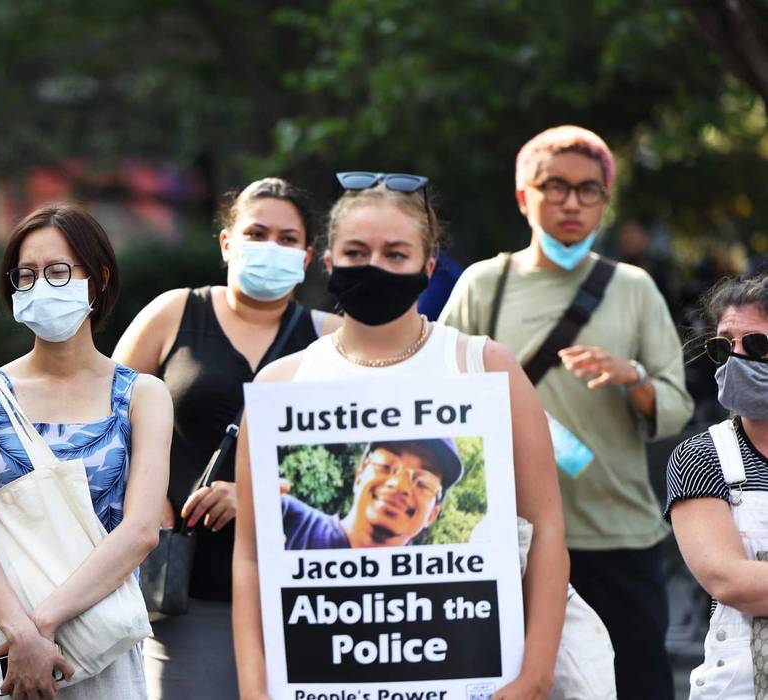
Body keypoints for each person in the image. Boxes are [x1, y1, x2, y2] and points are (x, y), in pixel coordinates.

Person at [234, 173, 569, 700]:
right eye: (356, 251)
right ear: (328, 262)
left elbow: (547, 527)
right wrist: (255, 691)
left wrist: (534, 675)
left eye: (396, 254)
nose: (376, 267)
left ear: (428, 267)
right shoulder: (281, 386)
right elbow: (251, 557)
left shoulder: (485, 367)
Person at [439, 126, 694, 699]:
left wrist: (634, 379)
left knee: (636, 684)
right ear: (524, 196)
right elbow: (437, 396)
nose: (572, 203)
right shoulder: (485, 283)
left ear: (606, 200)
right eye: (555, 187)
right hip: (509, 538)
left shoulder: (634, 288)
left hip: (617, 534)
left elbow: (677, 408)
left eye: (589, 190)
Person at [113, 177, 340, 699]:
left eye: (288, 239)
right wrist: (148, 505)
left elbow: (358, 461)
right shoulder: (174, 313)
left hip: (303, 592)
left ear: (306, 258)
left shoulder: (331, 338)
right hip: (186, 588)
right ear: (226, 243)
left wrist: (261, 499)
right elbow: (105, 425)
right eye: (256, 232)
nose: (271, 247)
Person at [0, 204, 172, 699]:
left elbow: (140, 531)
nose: (40, 286)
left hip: (100, 636)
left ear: (98, 278)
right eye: (25, 276)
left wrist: (40, 625)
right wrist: (20, 634)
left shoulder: (143, 396)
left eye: (57, 271)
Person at [665, 274, 768, 698]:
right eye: (724, 346)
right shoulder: (701, 457)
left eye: (758, 346)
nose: (737, 359)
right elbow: (728, 580)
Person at [281, 439, 463, 550]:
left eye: (423, 483)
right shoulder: (285, 521)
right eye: (385, 465)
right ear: (359, 475)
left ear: (432, 515)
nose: (399, 485)